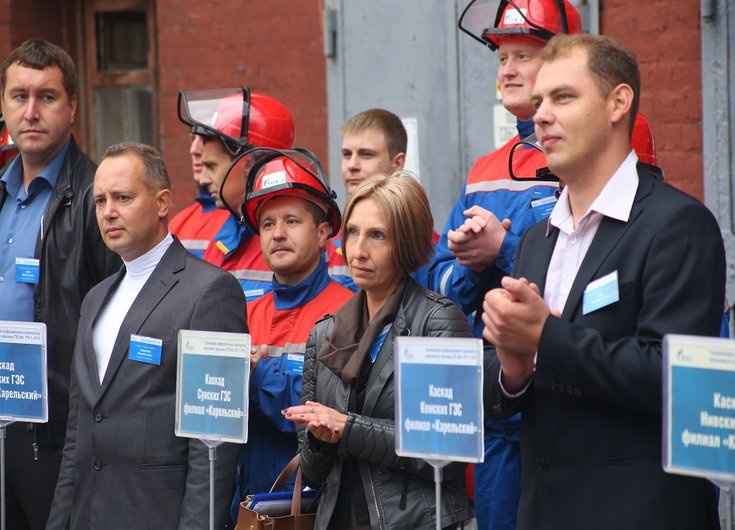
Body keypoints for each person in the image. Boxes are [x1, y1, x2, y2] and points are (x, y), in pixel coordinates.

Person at [482, 33, 724, 530]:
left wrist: (544, 337)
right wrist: (512, 368)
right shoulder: (534, 239)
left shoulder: (678, 225)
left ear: (618, 102)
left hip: (639, 512)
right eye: (539, 101)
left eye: (563, 97)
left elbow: (673, 379)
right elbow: (511, 393)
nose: (540, 114)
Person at [430, 2, 581, 528]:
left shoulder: (584, 159)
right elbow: (440, 289)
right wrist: (471, 262)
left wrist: (506, 248)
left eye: (523, 55)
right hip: (498, 412)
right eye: (501, 58)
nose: (508, 70)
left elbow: (586, 273)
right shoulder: (484, 170)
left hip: (571, 401)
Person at [46, 142, 246, 529]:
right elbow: (79, 430)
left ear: (162, 203)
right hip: (89, 514)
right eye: (100, 200)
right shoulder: (95, 299)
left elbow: (214, 442)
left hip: (157, 514)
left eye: (122, 197)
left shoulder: (210, 291)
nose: (108, 212)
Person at [283, 173, 473, 529]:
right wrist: (321, 439)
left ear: (406, 242)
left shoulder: (438, 321)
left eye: (377, 236)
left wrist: (347, 428)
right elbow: (311, 468)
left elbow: (447, 455)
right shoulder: (325, 332)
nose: (358, 251)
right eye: (353, 232)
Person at [0, 38, 120, 530]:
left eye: (46, 97)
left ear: (72, 106)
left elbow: (120, 322)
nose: (31, 111)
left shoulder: (97, 198)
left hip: (51, 436)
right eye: (18, 96)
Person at [227, 148, 353, 522]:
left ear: (323, 231)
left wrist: (257, 374)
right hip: (248, 505)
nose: (278, 234)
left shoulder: (349, 312)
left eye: (292, 221)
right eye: (267, 224)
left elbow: (333, 409)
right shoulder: (240, 313)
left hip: (320, 508)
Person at [178, 87, 295, 301]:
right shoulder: (225, 235)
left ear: (249, 164)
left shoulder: (291, 242)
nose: (204, 180)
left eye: (212, 167)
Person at [332, 108, 438, 291]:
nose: (351, 165)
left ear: (397, 163)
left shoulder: (421, 243)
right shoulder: (328, 239)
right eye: (347, 154)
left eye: (366, 154)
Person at [169, 127, 229, 259]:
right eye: (192, 139)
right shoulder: (178, 224)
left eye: (204, 139)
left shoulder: (246, 223)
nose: (193, 150)